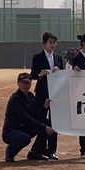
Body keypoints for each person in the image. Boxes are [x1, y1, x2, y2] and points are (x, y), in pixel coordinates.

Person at [2, 72, 57, 162]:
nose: (25, 85)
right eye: (22, 82)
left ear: (31, 84)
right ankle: (10, 152)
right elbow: (26, 118)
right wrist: (44, 127)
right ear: (18, 83)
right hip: (12, 131)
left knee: (48, 123)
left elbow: (36, 116)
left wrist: (44, 107)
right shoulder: (15, 99)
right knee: (25, 138)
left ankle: (36, 152)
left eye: (27, 83)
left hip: (25, 127)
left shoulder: (30, 96)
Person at [30, 31, 63, 160]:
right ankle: (41, 149)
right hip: (42, 94)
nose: (53, 45)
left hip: (55, 94)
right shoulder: (37, 58)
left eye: (54, 42)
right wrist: (40, 74)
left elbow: (63, 75)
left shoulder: (58, 58)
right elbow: (32, 75)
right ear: (44, 44)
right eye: (50, 42)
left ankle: (52, 151)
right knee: (42, 121)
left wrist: (59, 72)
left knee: (55, 122)